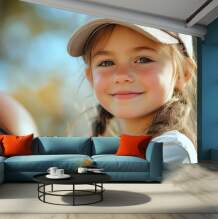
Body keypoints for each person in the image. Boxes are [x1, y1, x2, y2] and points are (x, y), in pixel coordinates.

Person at [67, 18, 197, 165]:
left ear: (183, 73)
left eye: (143, 59)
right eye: (106, 62)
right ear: (91, 77)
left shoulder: (170, 149)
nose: (121, 76)